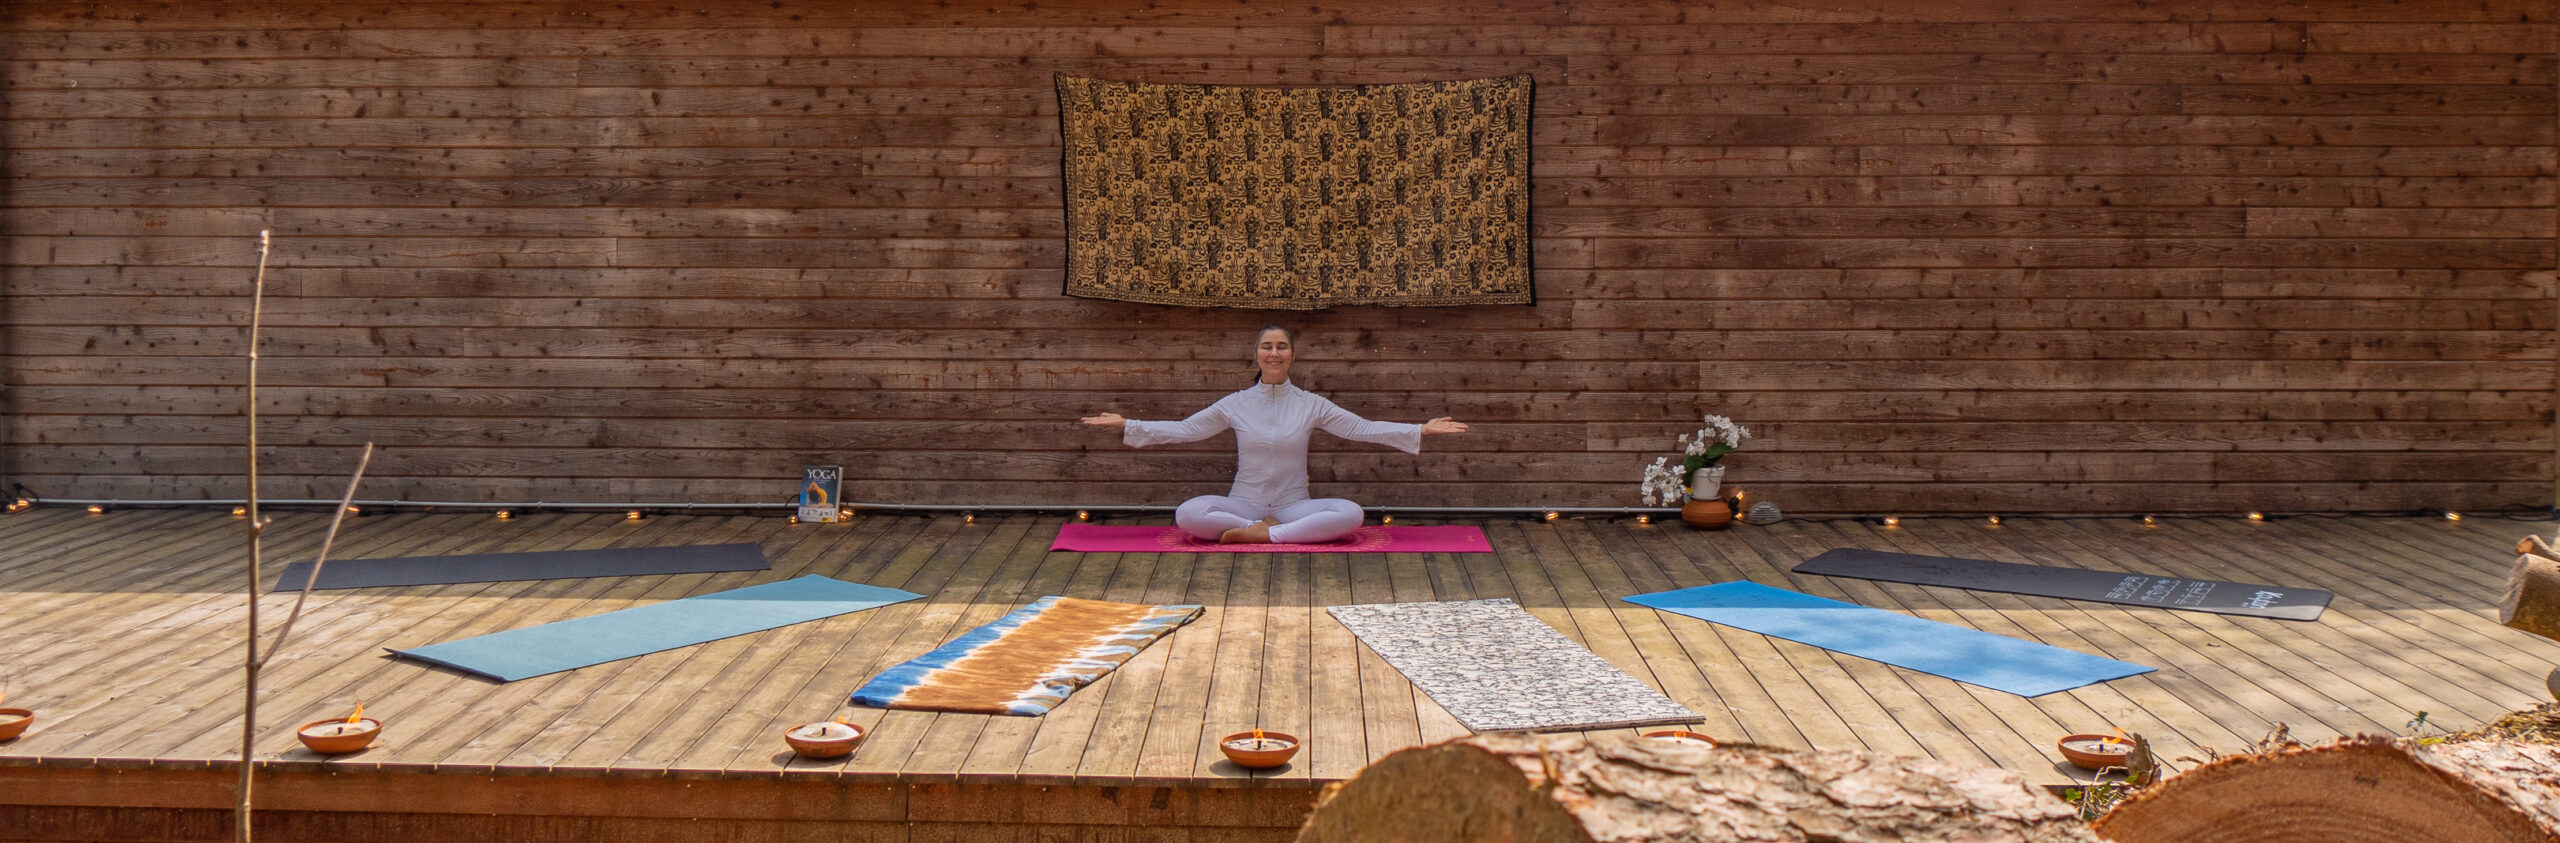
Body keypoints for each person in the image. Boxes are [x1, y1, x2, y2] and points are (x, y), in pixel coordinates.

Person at [1081, 325, 1468, 544]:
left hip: (1292, 504)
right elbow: (1186, 431)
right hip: (1243, 504)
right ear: (1257, 355)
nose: (1274, 353)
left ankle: (1266, 535)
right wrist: (1127, 425)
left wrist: (1421, 429)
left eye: (1282, 347)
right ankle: (1262, 531)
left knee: (1351, 514)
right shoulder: (1235, 403)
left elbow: (1362, 428)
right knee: (1187, 513)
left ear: (1292, 355)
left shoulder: (1311, 404)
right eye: (1267, 347)